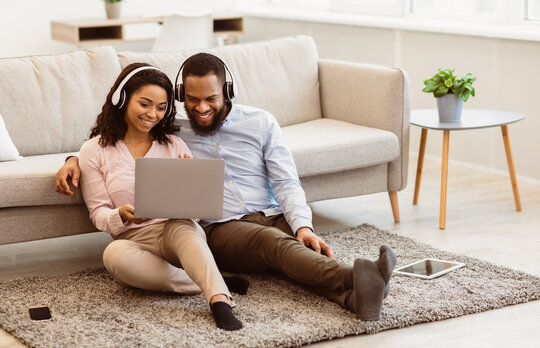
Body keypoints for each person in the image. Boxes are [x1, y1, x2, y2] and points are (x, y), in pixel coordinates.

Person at [56, 54, 397, 321]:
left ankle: (354, 297)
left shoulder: (260, 122)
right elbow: (122, 131)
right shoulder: (173, 126)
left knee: (301, 251)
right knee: (274, 244)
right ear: (181, 97)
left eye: (210, 99)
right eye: (191, 99)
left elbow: (285, 180)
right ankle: (355, 275)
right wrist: (75, 158)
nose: (201, 108)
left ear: (227, 92)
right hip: (222, 225)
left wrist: (303, 225)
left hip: (271, 212)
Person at [71, 62, 245, 331]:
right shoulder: (94, 150)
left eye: (161, 107)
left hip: (178, 234)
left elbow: (196, 213)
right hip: (134, 241)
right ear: (122, 99)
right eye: (145, 104)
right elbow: (98, 212)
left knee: (184, 226)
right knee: (113, 255)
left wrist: (190, 192)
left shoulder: (173, 144)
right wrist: (121, 215)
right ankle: (206, 279)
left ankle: (219, 300)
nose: (153, 114)